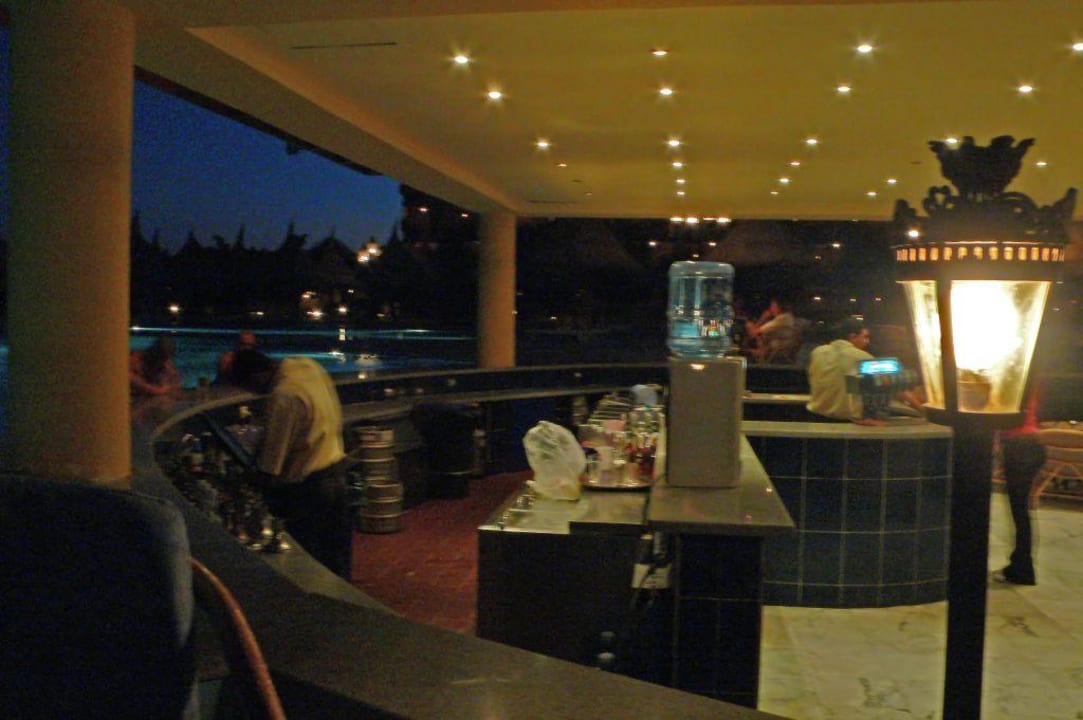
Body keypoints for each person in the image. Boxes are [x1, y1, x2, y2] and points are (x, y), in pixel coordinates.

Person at [231, 348, 352, 577]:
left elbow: (271, 465)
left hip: (311, 490)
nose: (254, 393)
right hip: (337, 473)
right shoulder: (308, 366)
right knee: (338, 561)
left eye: (250, 387)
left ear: (256, 376)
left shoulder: (283, 395)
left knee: (311, 567)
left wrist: (245, 484)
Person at [994, 390, 1044, 585]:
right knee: (1021, 512)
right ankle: (1020, 564)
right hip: (1032, 445)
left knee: (1020, 513)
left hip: (1019, 448)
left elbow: (1004, 418)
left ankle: (1022, 570)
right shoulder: (1028, 386)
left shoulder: (1014, 388)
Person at [805, 317, 874, 422]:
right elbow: (885, 386)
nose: (867, 341)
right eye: (865, 337)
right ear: (853, 337)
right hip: (847, 423)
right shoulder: (863, 358)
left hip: (813, 418)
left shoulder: (817, 352)